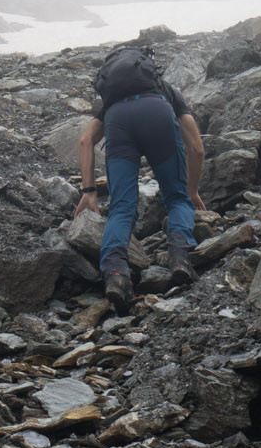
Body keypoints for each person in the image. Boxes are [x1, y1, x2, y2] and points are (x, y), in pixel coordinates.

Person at [74, 42, 207, 313]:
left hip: (118, 121)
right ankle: (180, 257)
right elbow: (197, 148)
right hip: (157, 113)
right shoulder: (165, 89)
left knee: (121, 208)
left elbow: (86, 140)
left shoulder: (112, 101)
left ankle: (115, 274)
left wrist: (89, 191)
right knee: (177, 199)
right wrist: (191, 191)